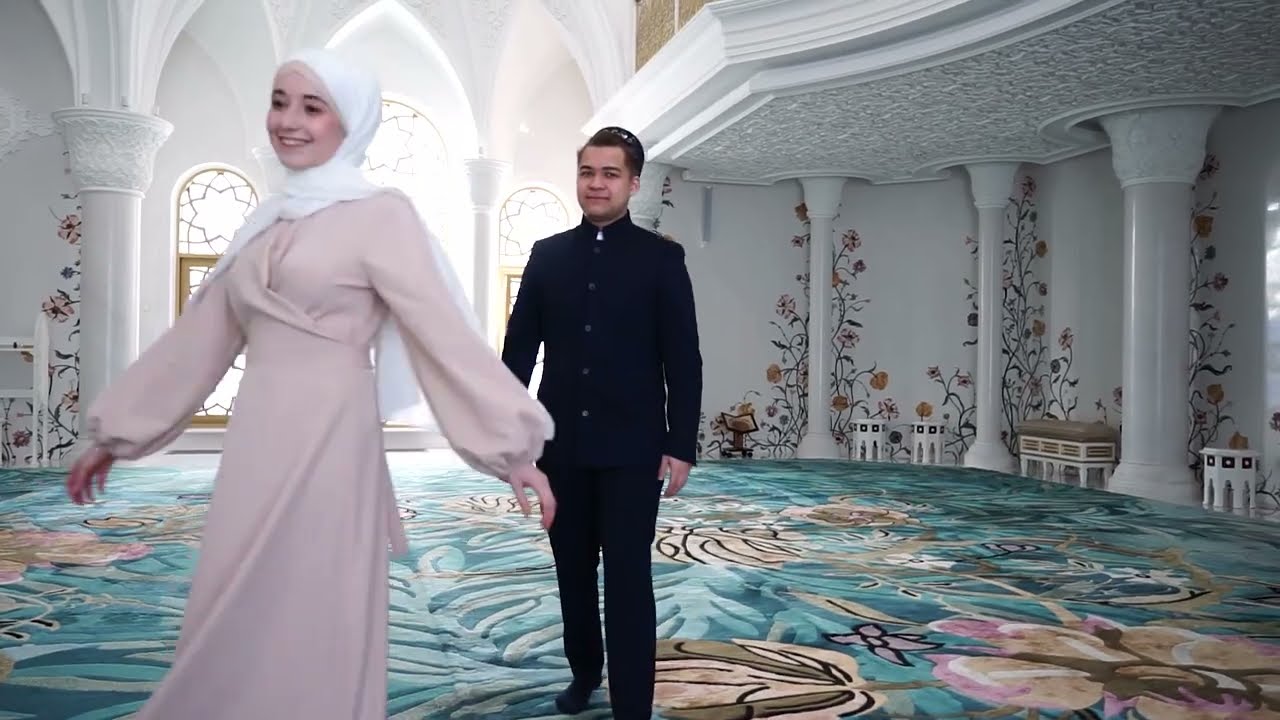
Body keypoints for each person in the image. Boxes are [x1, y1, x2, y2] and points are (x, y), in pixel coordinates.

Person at [63, 48, 557, 720]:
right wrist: (116, 435)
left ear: (349, 122)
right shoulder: (266, 221)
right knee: (233, 591)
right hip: (257, 436)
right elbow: (198, 340)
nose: (288, 120)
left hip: (332, 436)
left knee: (316, 597)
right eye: (279, 102)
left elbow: (443, 334)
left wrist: (511, 449)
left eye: (312, 107)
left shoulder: (381, 214)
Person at [500, 126, 703, 718]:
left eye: (610, 173)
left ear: (633, 184)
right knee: (572, 571)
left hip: (633, 450)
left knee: (628, 577)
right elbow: (518, 353)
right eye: (588, 172)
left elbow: (682, 358)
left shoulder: (662, 259)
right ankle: (585, 670)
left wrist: (680, 444)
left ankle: (632, 703)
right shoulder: (547, 256)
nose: (596, 183)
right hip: (560, 447)